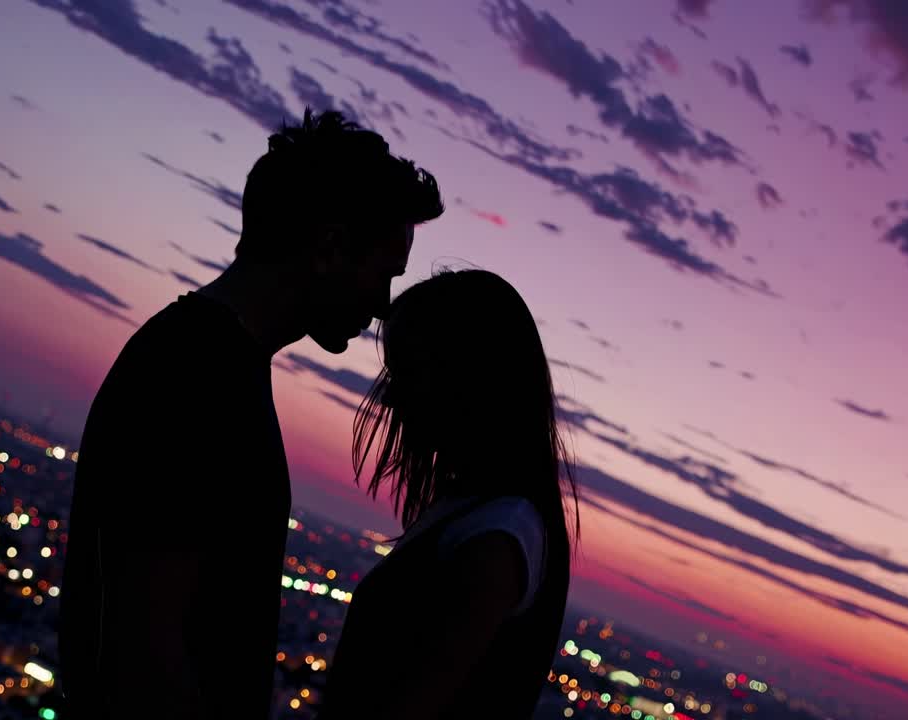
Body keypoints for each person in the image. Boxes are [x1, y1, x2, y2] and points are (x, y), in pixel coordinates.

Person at [57, 108, 444, 719]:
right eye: (384, 274)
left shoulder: (206, 359)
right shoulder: (197, 374)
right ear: (330, 247)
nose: (382, 305)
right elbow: (147, 650)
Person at [318, 268, 579, 719]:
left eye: (407, 374)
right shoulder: (479, 514)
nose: (391, 401)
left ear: (463, 378)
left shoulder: (499, 535)